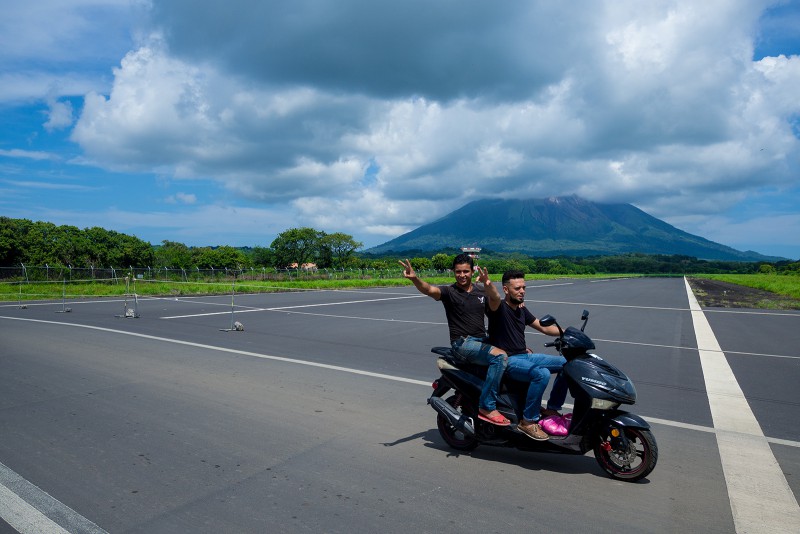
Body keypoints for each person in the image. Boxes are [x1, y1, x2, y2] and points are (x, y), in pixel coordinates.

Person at [399, 253, 510, 425]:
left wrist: (513, 300)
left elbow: (497, 305)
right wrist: (414, 279)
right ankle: (487, 406)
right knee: (499, 356)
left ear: (472, 271)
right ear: (453, 272)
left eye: (466, 271)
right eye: (458, 272)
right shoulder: (449, 292)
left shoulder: (481, 292)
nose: (462, 275)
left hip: (482, 340)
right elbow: (429, 289)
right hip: (463, 344)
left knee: (515, 355)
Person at [487, 270, 568, 441]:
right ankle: (528, 421)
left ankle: (552, 408)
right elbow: (493, 298)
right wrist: (488, 284)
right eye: (517, 288)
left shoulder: (522, 310)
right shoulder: (498, 308)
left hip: (525, 356)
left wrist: (566, 332)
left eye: (524, 287)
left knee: (568, 363)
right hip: (509, 361)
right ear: (506, 290)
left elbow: (544, 327)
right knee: (541, 373)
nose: (522, 291)